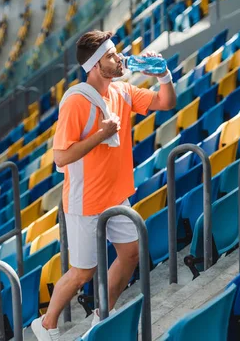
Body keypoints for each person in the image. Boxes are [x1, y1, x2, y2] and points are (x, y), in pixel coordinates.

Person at [32, 30, 176, 340]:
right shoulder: (74, 101)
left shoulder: (123, 91)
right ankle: (46, 325)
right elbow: (60, 158)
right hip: (85, 202)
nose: (120, 58)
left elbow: (167, 101)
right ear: (96, 65)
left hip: (116, 196)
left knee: (132, 253)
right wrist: (101, 133)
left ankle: (102, 316)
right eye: (112, 56)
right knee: (83, 273)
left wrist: (163, 74)